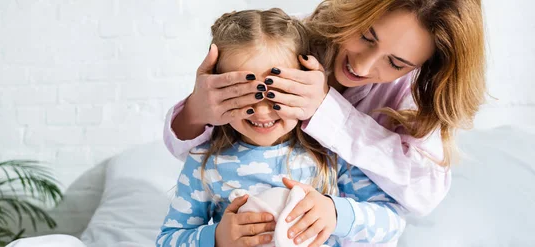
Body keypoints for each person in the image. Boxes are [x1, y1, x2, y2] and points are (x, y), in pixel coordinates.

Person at [164, 0, 485, 217]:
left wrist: (325, 109)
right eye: (365, 36)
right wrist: (197, 111)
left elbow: (424, 194)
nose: (362, 65)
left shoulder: (414, 93)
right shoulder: (295, 41)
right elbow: (201, 157)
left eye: (396, 63)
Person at [157, 9, 405, 247]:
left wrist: (335, 213)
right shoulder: (204, 162)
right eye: (244, 95)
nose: (263, 110)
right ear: (217, 91)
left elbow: (391, 223)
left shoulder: (330, 152)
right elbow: (168, 240)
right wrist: (217, 237)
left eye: (280, 92)